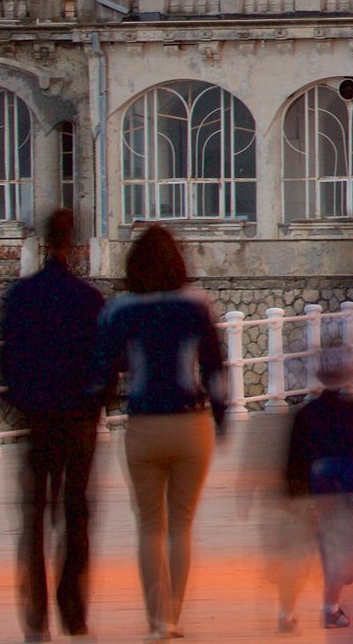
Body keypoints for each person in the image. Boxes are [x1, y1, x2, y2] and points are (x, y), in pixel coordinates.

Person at [96, 224, 228, 642]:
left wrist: (98, 406)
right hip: (191, 425)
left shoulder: (121, 309)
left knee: (150, 526)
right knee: (181, 526)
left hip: (143, 425)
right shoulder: (197, 304)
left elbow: (103, 367)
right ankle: (175, 614)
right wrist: (221, 418)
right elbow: (214, 368)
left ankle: (156, 620)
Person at [0, 207, 105, 643]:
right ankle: (73, 612)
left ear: (42, 240)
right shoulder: (88, 298)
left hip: (37, 418)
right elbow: (103, 359)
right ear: (72, 242)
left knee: (34, 519)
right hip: (78, 418)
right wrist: (95, 405)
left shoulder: (21, 296)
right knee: (76, 515)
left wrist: (18, 404)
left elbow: (6, 358)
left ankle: (36, 617)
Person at [285, 346, 353, 632]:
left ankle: (317, 606)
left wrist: (296, 492)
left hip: (320, 493)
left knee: (328, 550)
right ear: (352, 374)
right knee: (346, 557)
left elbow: (296, 457)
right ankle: (330, 608)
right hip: (352, 493)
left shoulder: (307, 415)